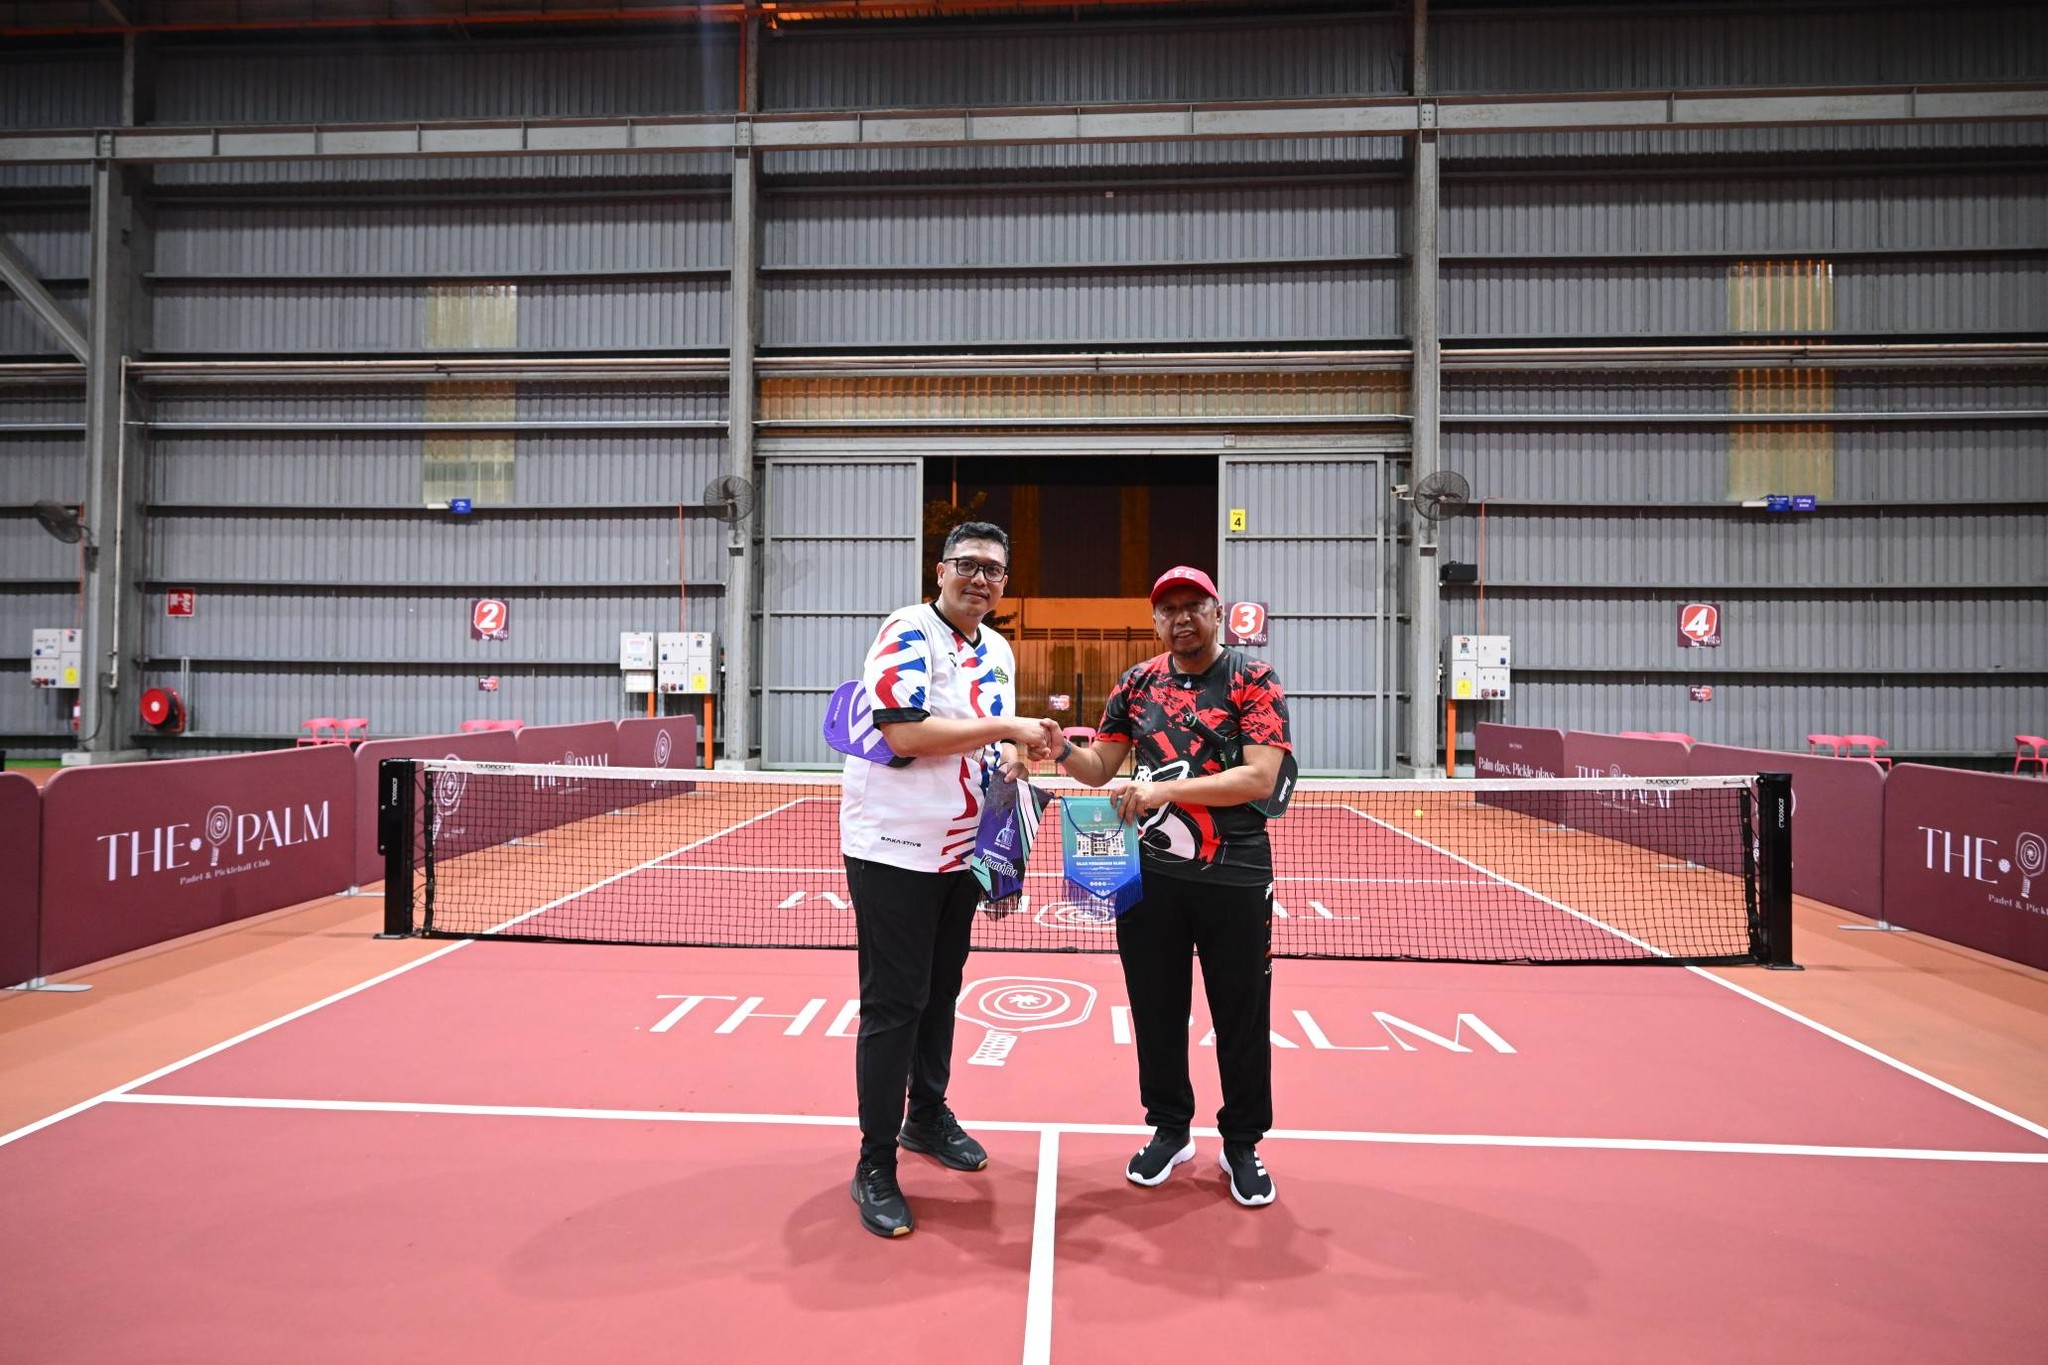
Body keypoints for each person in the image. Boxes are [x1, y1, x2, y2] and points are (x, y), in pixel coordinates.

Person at [839, 520, 1062, 1238]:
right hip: (894, 849)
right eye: (967, 564)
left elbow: (997, 747)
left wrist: (1019, 758)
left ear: (1004, 583)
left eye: (993, 570)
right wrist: (1009, 728)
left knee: (941, 992)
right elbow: (904, 732)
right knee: (894, 1003)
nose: (980, 578)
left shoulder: (997, 649)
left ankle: (927, 1116)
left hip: (963, 850)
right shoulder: (908, 631)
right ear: (940, 570)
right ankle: (875, 1162)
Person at [1055, 565, 1293, 1207]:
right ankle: (1170, 1129)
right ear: (1156, 620)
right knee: (1155, 1008)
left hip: (1235, 874)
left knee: (1241, 1013)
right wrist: (1061, 750)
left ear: (1217, 612)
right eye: (1168, 609)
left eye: (1194, 606)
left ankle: (1242, 1142)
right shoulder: (1137, 682)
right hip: (1151, 875)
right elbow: (1100, 767)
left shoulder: (1252, 679)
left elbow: (1259, 778)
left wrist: (1161, 790)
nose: (1181, 618)